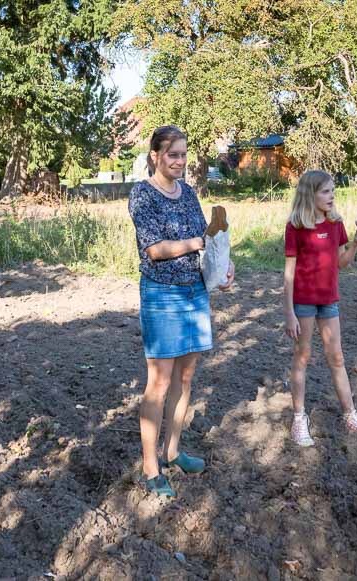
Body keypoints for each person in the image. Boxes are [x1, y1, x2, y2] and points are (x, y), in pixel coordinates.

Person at [128, 125, 234, 497]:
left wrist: (221, 265)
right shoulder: (142, 194)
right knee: (158, 384)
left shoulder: (188, 193)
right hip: (162, 295)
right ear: (155, 155)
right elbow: (154, 249)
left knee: (185, 380)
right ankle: (150, 465)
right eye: (173, 154)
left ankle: (172, 451)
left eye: (183, 154)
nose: (180, 161)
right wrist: (198, 242)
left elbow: (206, 237)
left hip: (194, 292)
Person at [283, 170, 357, 447]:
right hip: (304, 301)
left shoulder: (335, 224)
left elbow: (342, 263)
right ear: (311, 194)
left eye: (333, 191)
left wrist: (355, 242)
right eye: (326, 192)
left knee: (338, 358)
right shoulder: (295, 226)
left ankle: (351, 417)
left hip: (329, 300)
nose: (331, 196)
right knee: (302, 357)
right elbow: (289, 273)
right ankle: (298, 420)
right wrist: (289, 312)